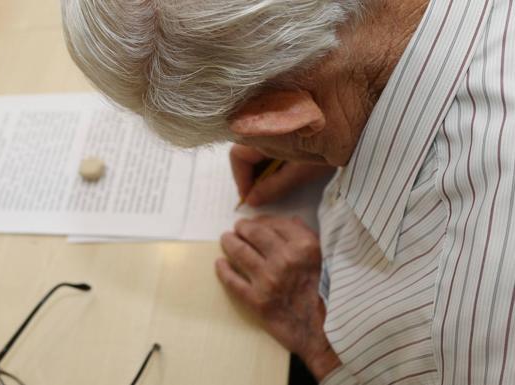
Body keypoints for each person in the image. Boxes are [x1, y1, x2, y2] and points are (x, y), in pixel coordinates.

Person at [61, 0, 515, 383]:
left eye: (240, 135)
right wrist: (333, 132)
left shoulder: (443, 335)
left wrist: (317, 337)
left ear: (282, 120)